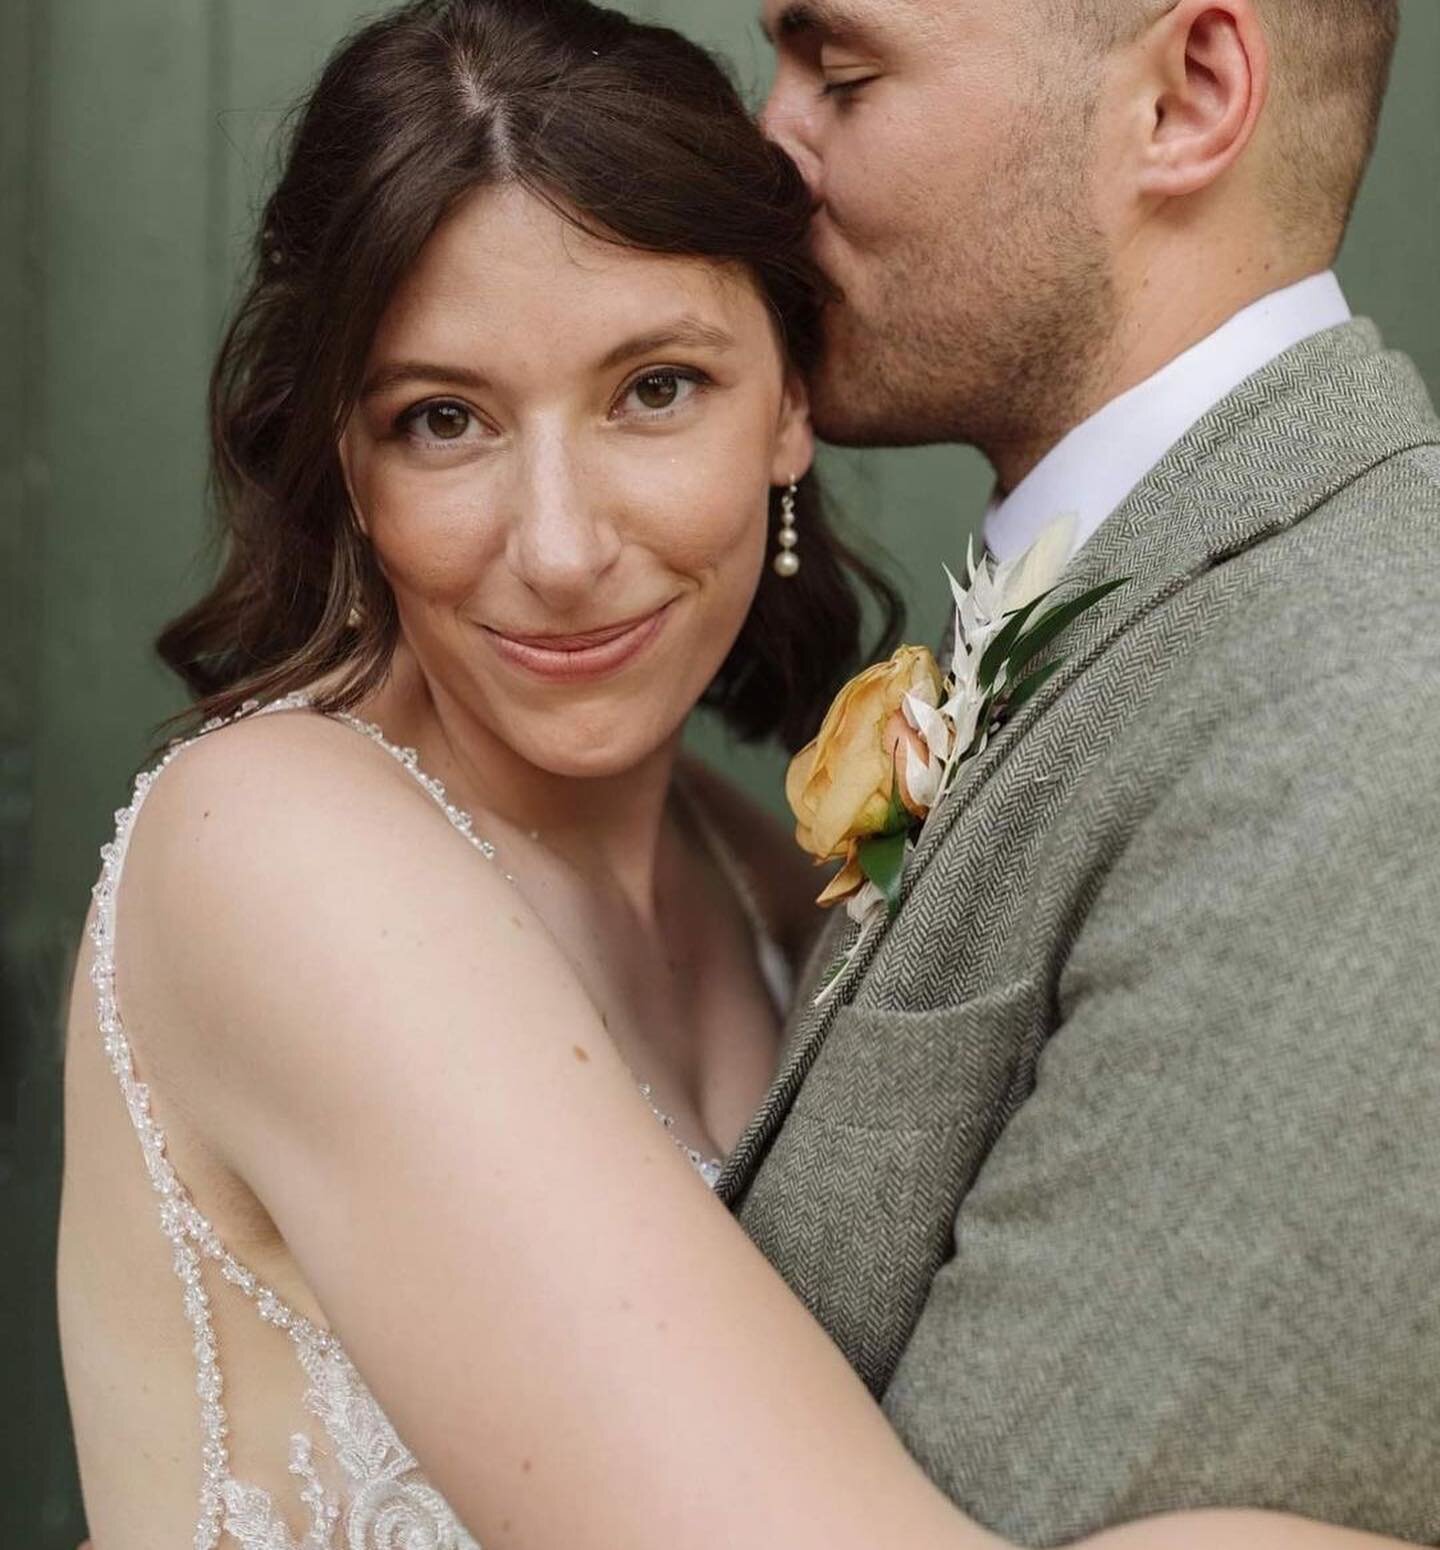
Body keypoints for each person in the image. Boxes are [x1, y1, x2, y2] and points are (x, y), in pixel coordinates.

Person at [58, 4, 1440, 1550]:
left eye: (655, 388)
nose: (564, 546)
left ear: (789, 398)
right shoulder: (274, 849)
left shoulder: (765, 874)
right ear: (344, 462)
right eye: (440, 419)